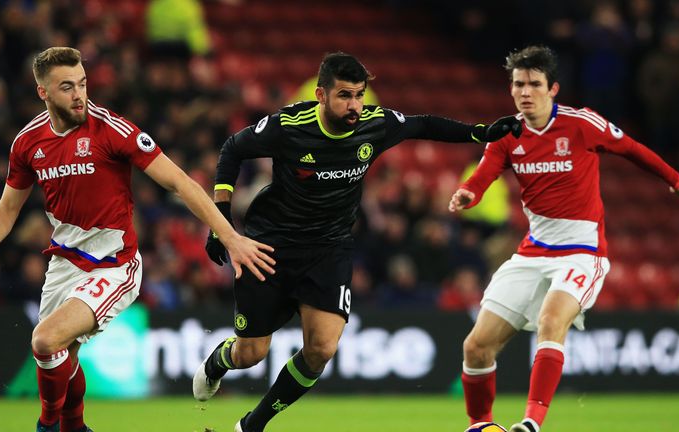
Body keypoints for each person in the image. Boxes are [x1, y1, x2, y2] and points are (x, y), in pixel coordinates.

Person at [0, 47, 276, 432]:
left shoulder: (112, 130)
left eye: (83, 84)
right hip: (64, 261)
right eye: (67, 87)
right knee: (59, 356)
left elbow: (179, 181)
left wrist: (230, 235)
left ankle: (47, 425)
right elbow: (7, 207)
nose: (79, 95)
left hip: (114, 263)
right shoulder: (27, 142)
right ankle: (75, 427)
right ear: (44, 93)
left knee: (44, 340)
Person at [194, 51, 522, 432]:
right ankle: (219, 362)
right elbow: (232, 149)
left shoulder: (373, 125)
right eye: (345, 96)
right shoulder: (289, 125)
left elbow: (423, 125)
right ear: (320, 95)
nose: (354, 106)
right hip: (271, 247)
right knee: (251, 353)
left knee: (321, 350)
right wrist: (221, 222)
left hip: (330, 249)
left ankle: (252, 425)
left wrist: (480, 133)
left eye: (359, 95)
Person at [449, 45, 679, 432]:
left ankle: (531, 423)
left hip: (581, 252)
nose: (525, 92)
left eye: (533, 84)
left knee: (551, 319)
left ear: (553, 88)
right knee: (476, 347)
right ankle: (480, 426)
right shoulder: (507, 133)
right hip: (533, 252)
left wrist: (676, 180)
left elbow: (631, 149)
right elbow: (486, 172)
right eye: (518, 84)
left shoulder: (582, 124)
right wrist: (469, 192)